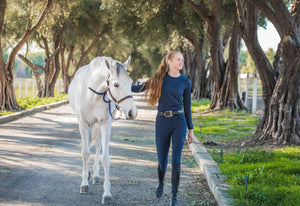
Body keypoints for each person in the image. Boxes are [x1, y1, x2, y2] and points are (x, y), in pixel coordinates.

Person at [131, 50, 195, 206]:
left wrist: (190, 129)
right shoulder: (159, 78)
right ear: (170, 61)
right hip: (162, 122)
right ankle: (160, 183)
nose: (182, 62)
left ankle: (174, 196)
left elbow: (187, 107)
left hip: (179, 121)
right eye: (178, 59)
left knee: (176, 161)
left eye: (182, 60)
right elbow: (139, 89)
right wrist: (120, 85)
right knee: (162, 161)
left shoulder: (185, 82)